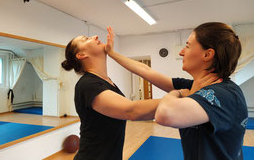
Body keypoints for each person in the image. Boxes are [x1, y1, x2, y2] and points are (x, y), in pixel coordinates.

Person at [106, 22, 248, 160]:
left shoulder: (226, 94)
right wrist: (111, 53)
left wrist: (178, 93)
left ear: (207, 54)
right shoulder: (196, 86)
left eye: (187, 46)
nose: (181, 52)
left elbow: (165, 114)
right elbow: (145, 70)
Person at [61, 33, 160, 160]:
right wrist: (180, 99)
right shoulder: (87, 84)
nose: (96, 36)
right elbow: (131, 111)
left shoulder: (106, 81)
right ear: (81, 55)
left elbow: (144, 70)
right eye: (86, 39)